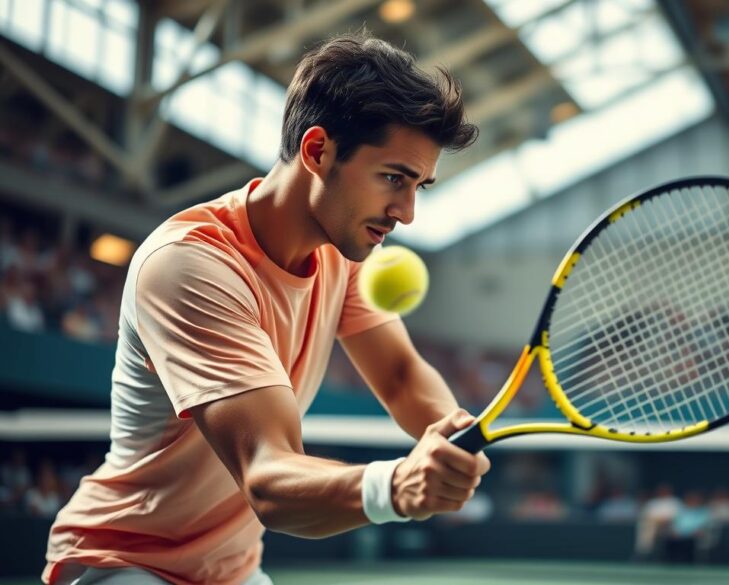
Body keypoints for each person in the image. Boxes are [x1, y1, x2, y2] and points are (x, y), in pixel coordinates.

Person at [44, 32, 487, 585]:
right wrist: (395, 486)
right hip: (124, 562)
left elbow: (400, 376)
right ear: (317, 151)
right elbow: (268, 478)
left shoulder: (341, 253)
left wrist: (446, 435)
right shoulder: (190, 266)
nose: (407, 212)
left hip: (231, 570)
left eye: (420, 184)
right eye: (394, 178)